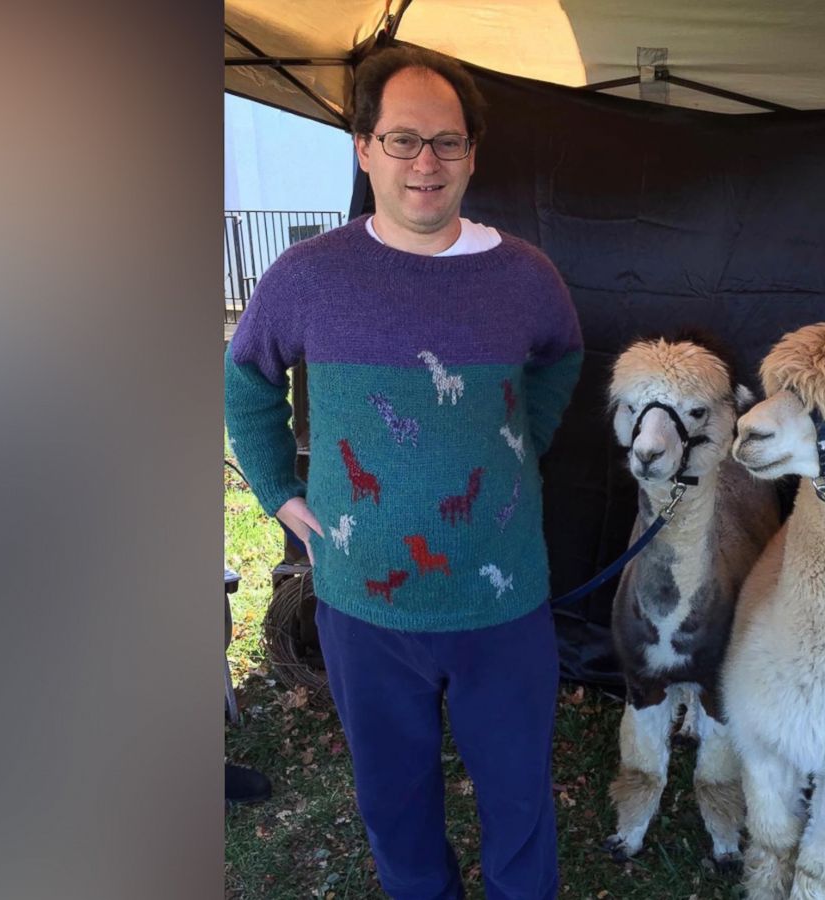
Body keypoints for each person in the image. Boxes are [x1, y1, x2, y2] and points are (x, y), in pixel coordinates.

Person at [224, 45, 583, 900]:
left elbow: (561, 359)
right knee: (394, 804)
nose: (427, 162)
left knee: (520, 801)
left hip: (502, 604)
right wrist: (280, 490)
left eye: (448, 142)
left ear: (471, 153)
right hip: (365, 607)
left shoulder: (526, 278)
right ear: (364, 148)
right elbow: (245, 378)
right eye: (403, 139)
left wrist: (516, 442)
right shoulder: (308, 277)